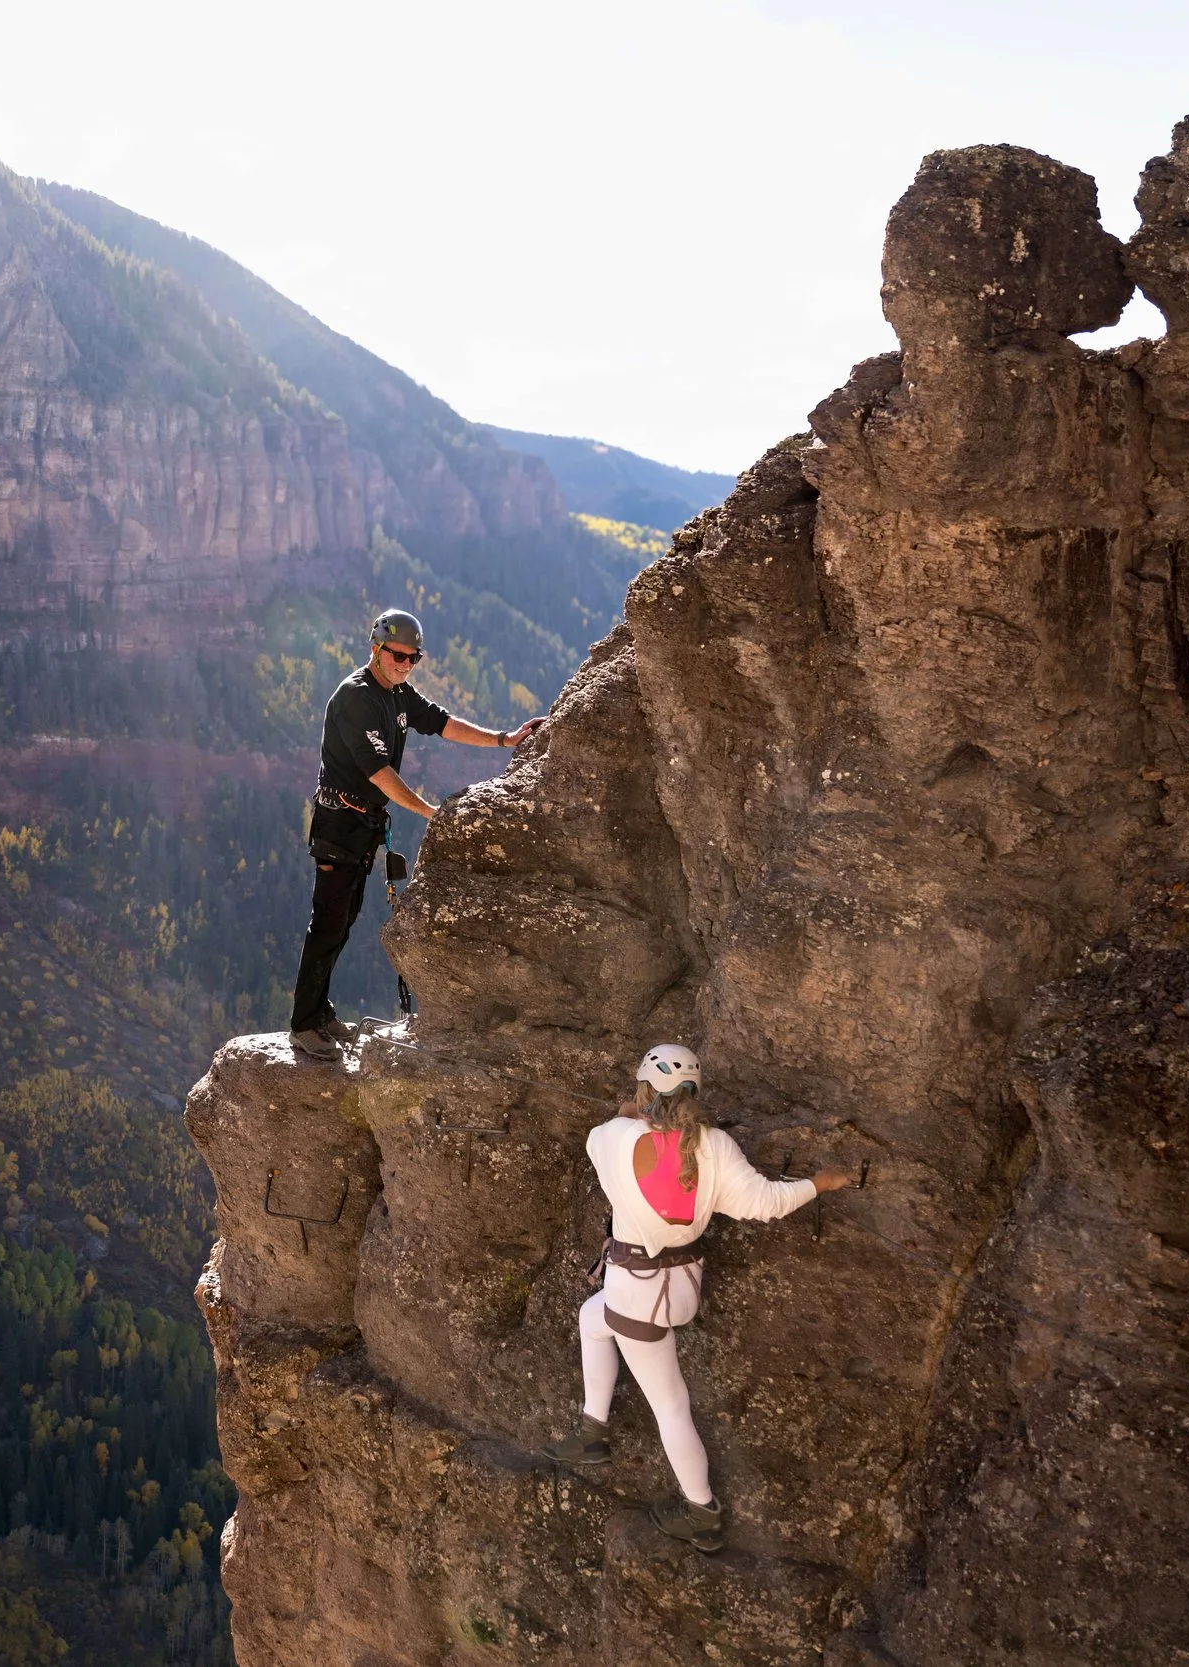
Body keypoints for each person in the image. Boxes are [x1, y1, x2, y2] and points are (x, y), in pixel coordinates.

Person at [548, 1043, 855, 1553]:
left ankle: (702, 1510)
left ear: (645, 1091)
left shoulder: (610, 1138)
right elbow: (766, 1203)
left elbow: (611, 1136)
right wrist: (820, 1184)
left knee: (671, 1406)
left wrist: (629, 1115)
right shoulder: (715, 1146)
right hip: (679, 1288)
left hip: (637, 1299)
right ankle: (591, 1429)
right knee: (591, 1318)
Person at [287, 608, 542, 1060]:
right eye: (397, 655)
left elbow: (445, 723)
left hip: (361, 824)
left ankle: (319, 1014)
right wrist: (428, 811)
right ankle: (304, 1024)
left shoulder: (397, 693)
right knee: (327, 923)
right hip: (339, 824)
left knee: (342, 922)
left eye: (413, 657)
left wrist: (506, 739)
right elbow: (380, 773)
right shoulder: (356, 698)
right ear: (376, 649)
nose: (405, 664)